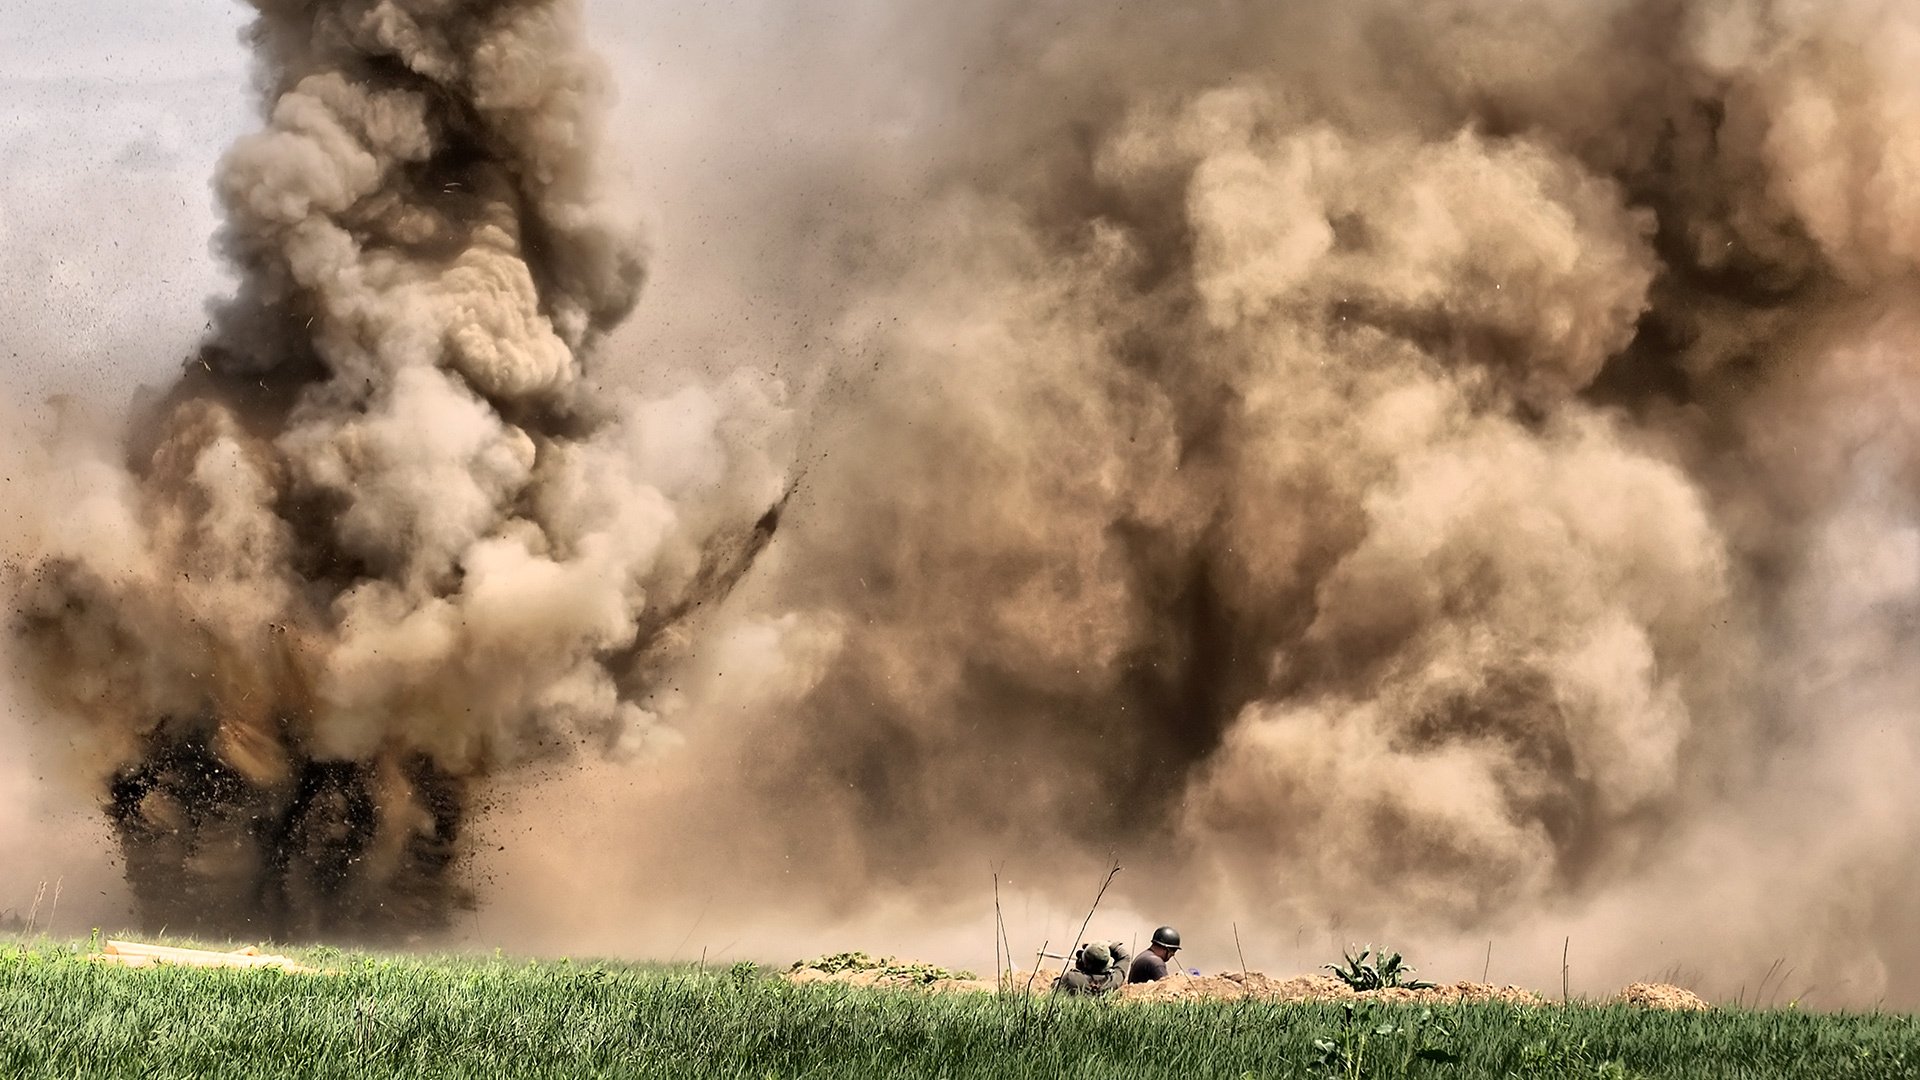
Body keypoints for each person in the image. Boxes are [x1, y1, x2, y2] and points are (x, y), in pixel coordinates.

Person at [1052, 941, 1130, 996]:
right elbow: (1125, 956)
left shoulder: (1071, 978)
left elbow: (1054, 986)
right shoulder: (1114, 980)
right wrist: (1106, 945)